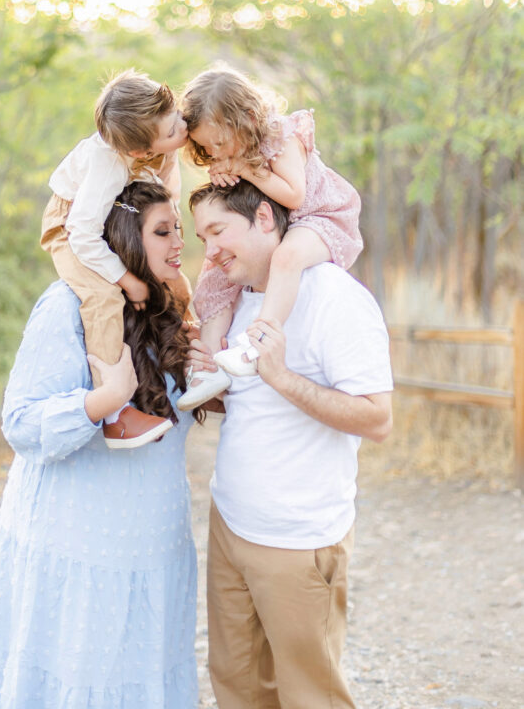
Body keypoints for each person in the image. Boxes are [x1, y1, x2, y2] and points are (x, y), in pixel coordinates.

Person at [0, 182, 201, 709]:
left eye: (180, 232)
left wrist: (205, 376)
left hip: (151, 544)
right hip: (76, 543)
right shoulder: (68, 305)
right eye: (162, 232)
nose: (177, 245)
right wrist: (105, 400)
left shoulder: (171, 309)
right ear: (123, 237)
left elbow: (173, 425)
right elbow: (22, 422)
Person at [188, 179, 393, 709]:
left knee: (311, 695)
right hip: (230, 524)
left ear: (261, 217)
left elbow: (376, 418)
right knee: (236, 683)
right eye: (201, 236)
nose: (208, 250)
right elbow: (249, 412)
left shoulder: (334, 297)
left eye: (217, 231)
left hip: (299, 539)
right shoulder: (234, 300)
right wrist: (207, 383)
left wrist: (281, 377)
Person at [177, 65, 363, 412]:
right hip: (282, 222)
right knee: (213, 278)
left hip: (320, 216)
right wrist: (225, 178)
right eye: (207, 147)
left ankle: (257, 342)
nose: (216, 153)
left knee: (286, 258)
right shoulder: (230, 150)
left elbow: (294, 195)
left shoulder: (283, 135)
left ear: (247, 117)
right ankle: (207, 368)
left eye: (219, 142)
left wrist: (245, 170)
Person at [40, 68, 190, 446]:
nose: (182, 129)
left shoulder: (145, 142)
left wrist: (170, 154)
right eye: (173, 132)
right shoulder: (107, 165)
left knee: (172, 280)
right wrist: (126, 279)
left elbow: (166, 196)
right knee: (103, 297)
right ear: (139, 151)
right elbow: (83, 234)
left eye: (178, 117)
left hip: (99, 219)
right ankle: (114, 413)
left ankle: (194, 352)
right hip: (69, 227)